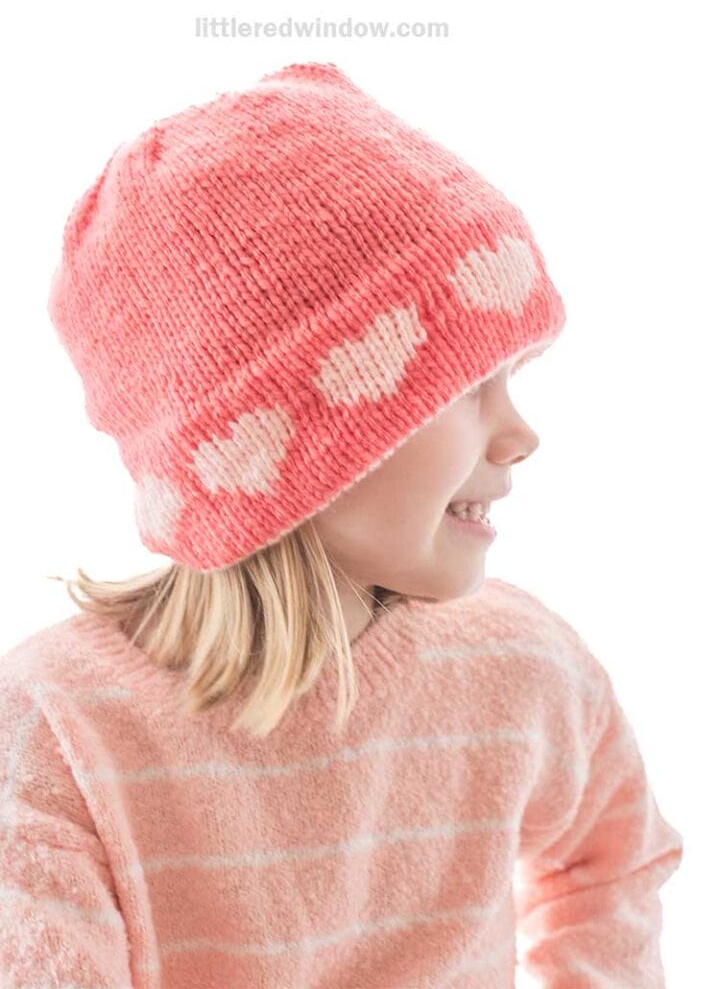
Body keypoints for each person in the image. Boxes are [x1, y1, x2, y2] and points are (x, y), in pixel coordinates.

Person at [0, 61, 683, 987]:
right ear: (287, 446)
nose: (522, 435)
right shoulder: (59, 730)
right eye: (466, 383)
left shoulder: (520, 667)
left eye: (514, 379)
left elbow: (614, 863)